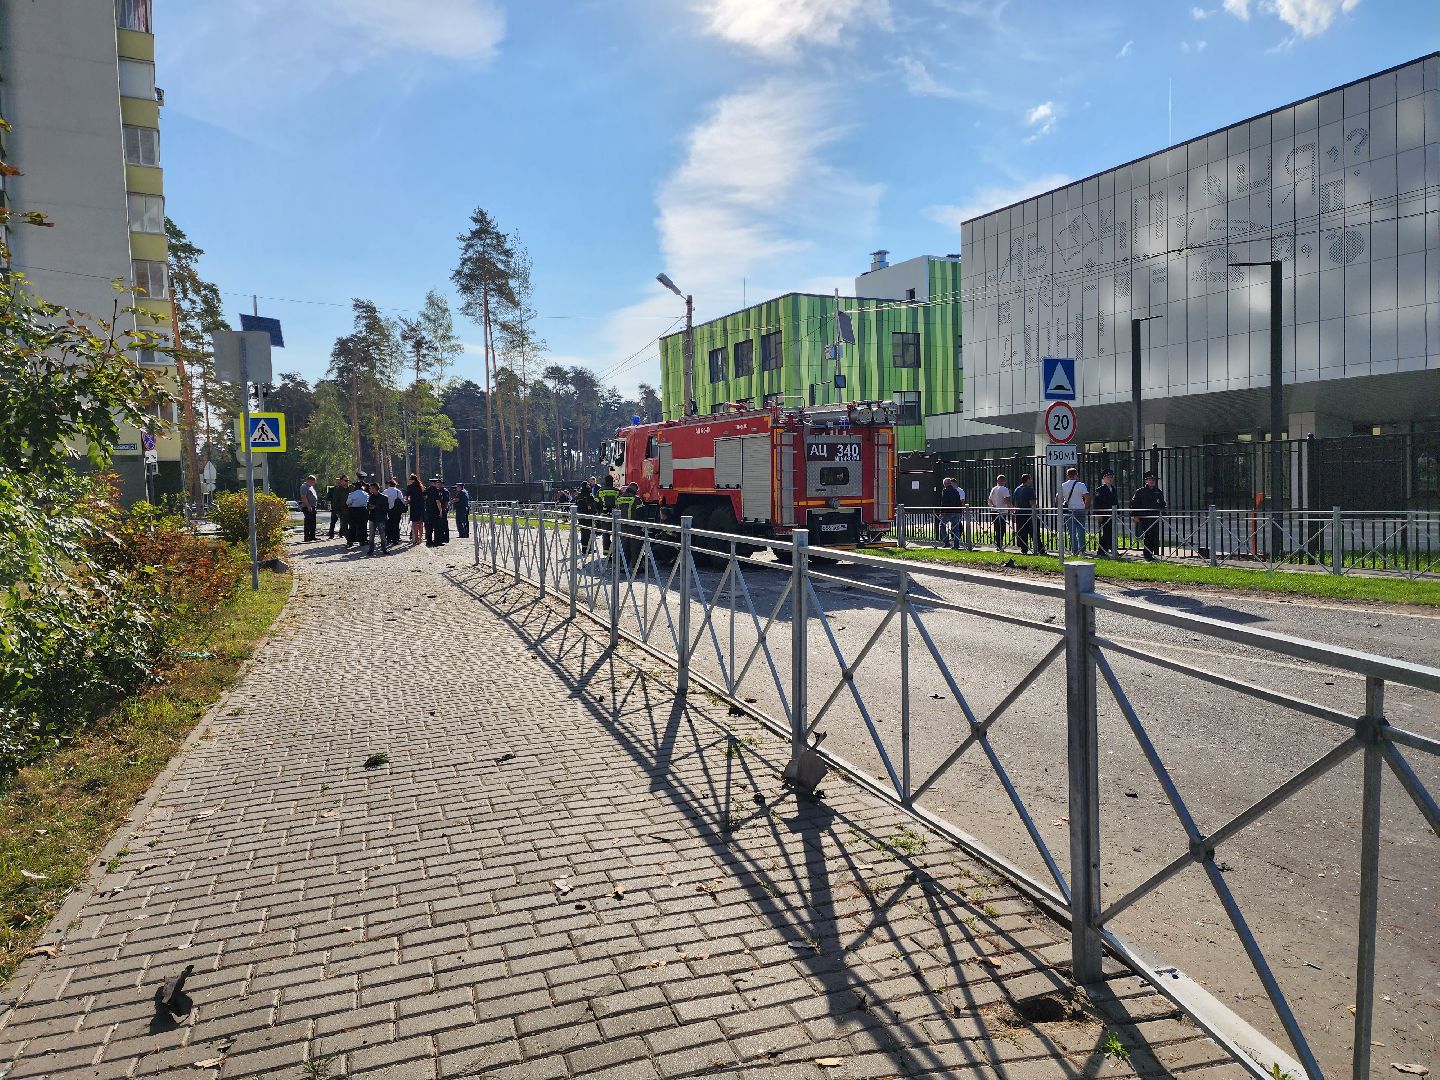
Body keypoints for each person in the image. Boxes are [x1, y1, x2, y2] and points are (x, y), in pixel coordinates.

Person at [1130, 471, 1167, 560]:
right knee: (1148, 536)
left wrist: (1164, 514)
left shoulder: (1158, 492)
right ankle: (1147, 554)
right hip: (1145, 517)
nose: (1152, 481)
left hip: (1155, 517)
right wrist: (1134, 515)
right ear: (1146, 481)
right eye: (1150, 480)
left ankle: (1152, 553)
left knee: (1154, 536)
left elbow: (1162, 504)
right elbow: (1134, 504)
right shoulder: (1140, 491)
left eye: (1153, 480)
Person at [1058, 466, 1091, 556]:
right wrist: (1086, 508)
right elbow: (1087, 498)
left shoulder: (1063, 485)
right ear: (1076, 475)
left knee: (1071, 532)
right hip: (1080, 509)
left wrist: (1062, 505)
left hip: (1068, 510)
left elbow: (1057, 498)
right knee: (1081, 530)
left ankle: (1074, 551)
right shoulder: (1081, 485)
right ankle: (1082, 550)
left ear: (1067, 475)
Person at [1012, 473, 1044, 556]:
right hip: (1029, 514)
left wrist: (1015, 513)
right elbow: (1032, 503)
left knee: (1023, 532)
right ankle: (1039, 549)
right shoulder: (1029, 489)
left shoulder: (1017, 489)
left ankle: (1024, 549)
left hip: (1020, 513)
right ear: (1028, 480)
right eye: (1030, 479)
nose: (1031, 480)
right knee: (1034, 532)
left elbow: (1015, 503)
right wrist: (1035, 511)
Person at [1092, 469, 1119, 557]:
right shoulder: (1100, 489)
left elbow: (1116, 502)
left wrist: (1118, 512)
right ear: (1104, 479)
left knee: (1112, 532)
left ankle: (1110, 548)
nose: (1110, 479)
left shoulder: (1113, 489)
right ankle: (1102, 549)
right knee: (1107, 532)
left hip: (1113, 514)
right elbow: (1097, 503)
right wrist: (1099, 514)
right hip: (1104, 514)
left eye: (1111, 477)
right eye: (1108, 477)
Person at [987, 474, 1013, 551]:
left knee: (997, 529)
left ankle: (998, 544)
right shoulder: (1004, 489)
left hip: (994, 511)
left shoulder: (993, 489)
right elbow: (1007, 500)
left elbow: (989, 501)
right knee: (1002, 529)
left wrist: (992, 506)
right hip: (1001, 511)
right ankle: (999, 545)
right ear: (1003, 481)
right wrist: (1012, 509)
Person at [938, 477, 966, 549]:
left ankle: (946, 542)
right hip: (956, 511)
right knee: (956, 528)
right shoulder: (956, 491)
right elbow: (959, 502)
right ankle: (956, 545)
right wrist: (960, 511)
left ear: (945, 484)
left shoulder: (945, 491)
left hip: (948, 512)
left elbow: (944, 502)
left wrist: (942, 512)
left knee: (942, 525)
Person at [597, 473, 620, 553]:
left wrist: (599, 512)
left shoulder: (600, 491)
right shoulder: (617, 491)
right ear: (612, 481)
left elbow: (596, 503)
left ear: (605, 481)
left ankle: (606, 552)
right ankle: (615, 552)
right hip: (615, 516)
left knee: (606, 535)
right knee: (616, 534)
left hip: (604, 516)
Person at [365, 482, 390, 556]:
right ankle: (371, 550)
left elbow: (386, 508)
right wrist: (369, 507)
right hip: (372, 518)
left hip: (381, 518)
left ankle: (384, 549)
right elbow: (368, 506)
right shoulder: (371, 497)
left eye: (371, 488)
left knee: (382, 535)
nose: (369, 489)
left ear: (375, 488)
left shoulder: (384, 497)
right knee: (371, 535)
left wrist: (376, 507)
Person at [345, 479, 370, 550]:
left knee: (352, 526)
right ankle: (362, 540)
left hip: (353, 510)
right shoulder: (366, 494)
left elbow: (348, 503)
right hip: (363, 511)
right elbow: (367, 502)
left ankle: (350, 541)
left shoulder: (352, 494)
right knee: (362, 526)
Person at [575, 481, 599, 554]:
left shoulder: (579, 495)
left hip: (581, 516)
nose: (589, 485)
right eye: (588, 484)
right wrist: (595, 512)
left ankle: (584, 549)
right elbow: (592, 504)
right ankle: (589, 549)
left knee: (583, 532)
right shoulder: (588, 494)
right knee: (589, 533)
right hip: (588, 516)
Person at [424, 477, 448, 547]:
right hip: (435, 511)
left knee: (429, 527)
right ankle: (437, 542)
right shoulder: (436, 491)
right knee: (437, 527)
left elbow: (424, 498)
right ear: (435, 483)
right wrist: (440, 511)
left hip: (428, 510)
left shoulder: (427, 490)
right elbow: (438, 501)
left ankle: (429, 541)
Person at [383, 477, 406, 547]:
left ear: (389, 484)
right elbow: (402, 501)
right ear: (395, 485)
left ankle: (388, 538)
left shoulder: (385, 491)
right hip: (396, 510)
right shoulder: (398, 491)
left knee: (388, 524)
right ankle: (395, 539)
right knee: (396, 524)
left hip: (387, 509)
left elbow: (382, 500)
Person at [298, 475, 319, 542]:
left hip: (313, 506)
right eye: (313, 481)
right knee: (308, 523)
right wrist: (308, 506)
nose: (314, 483)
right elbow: (303, 497)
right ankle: (306, 537)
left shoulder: (310, 487)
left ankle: (312, 536)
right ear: (309, 480)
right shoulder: (304, 486)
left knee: (313, 522)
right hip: (307, 507)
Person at [327, 475, 349, 540]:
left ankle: (342, 534)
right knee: (333, 522)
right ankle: (331, 534)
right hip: (337, 509)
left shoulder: (349, 489)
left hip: (347, 510)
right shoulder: (334, 490)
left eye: (348, 480)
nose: (338, 482)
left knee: (344, 524)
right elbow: (331, 499)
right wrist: (335, 510)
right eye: (337, 481)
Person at [406, 473, 425, 545]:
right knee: (420, 522)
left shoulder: (410, 487)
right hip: (421, 506)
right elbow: (424, 496)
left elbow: (406, 496)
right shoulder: (421, 487)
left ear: (413, 480)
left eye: (410, 479)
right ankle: (421, 538)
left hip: (414, 506)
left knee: (414, 523)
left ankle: (415, 538)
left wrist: (407, 501)